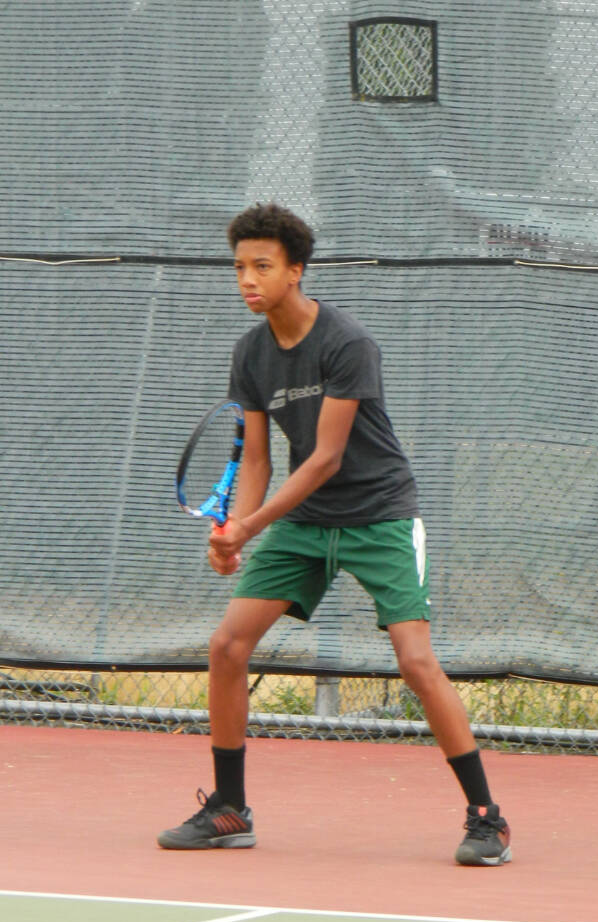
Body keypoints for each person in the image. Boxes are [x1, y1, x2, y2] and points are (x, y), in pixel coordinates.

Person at [157, 202, 512, 866]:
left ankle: (486, 817)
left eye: (261, 267)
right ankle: (230, 809)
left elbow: (323, 458)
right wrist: (236, 528)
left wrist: (252, 525)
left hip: (379, 515)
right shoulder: (251, 353)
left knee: (414, 662)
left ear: (296, 270)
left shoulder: (348, 343)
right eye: (239, 268)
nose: (247, 280)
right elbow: (259, 458)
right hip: (305, 523)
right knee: (228, 646)